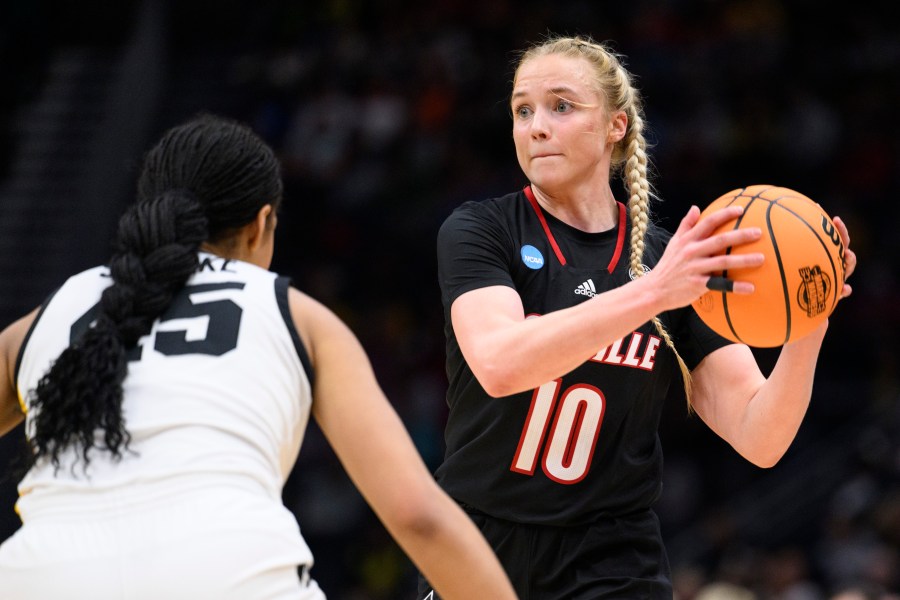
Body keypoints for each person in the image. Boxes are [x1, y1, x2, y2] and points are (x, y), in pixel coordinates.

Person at [0, 113, 518, 600]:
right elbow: (416, 514)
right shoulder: (299, 316)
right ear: (260, 224)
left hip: (38, 576)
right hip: (233, 572)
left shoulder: (49, 314)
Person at [417, 35, 857, 599]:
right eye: (522, 110)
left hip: (612, 561)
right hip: (480, 545)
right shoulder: (481, 231)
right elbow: (500, 365)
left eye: (561, 105)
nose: (536, 126)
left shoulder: (675, 264)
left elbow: (760, 436)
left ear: (616, 127)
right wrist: (653, 293)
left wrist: (807, 317)